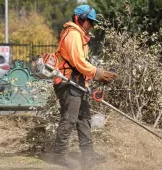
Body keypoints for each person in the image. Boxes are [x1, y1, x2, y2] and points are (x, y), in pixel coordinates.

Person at [52, 4, 117, 169]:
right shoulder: (73, 34)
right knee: (69, 118)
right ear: (79, 19)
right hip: (67, 83)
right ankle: (59, 155)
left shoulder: (79, 35)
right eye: (90, 22)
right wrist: (97, 72)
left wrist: (95, 77)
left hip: (77, 83)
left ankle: (88, 156)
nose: (92, 26)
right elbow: (78, 62)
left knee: (84, 119)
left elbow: (81, 64)